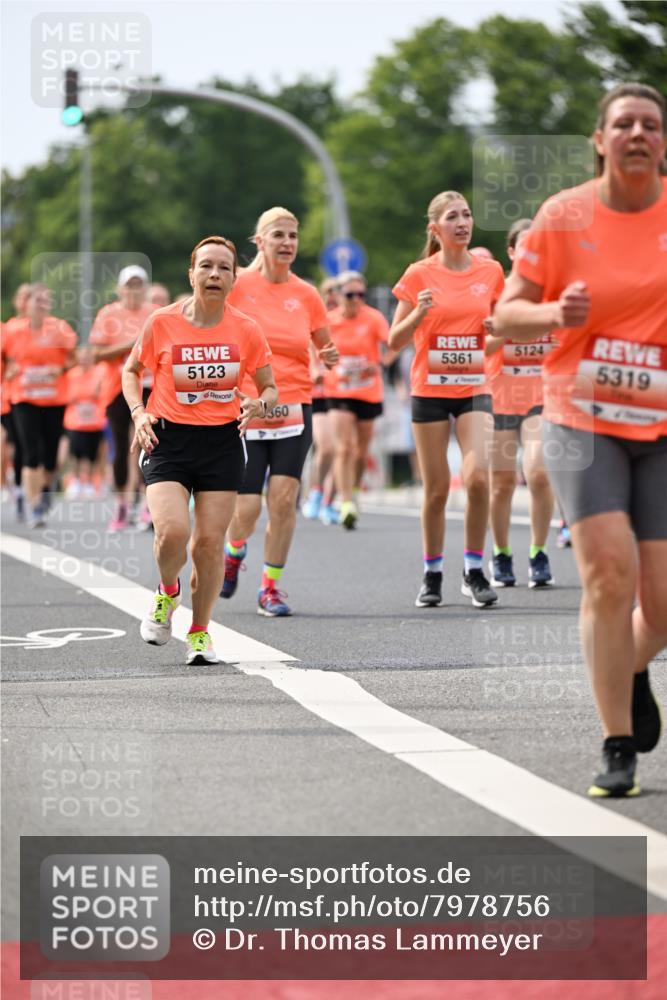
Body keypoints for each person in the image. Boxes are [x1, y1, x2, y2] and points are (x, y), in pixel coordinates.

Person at [493, 82, 667, 797]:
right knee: (604, 573)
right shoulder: (562, 216)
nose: (636, 133)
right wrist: (552, 312)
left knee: (660, 606)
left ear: (661, 142)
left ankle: (627, 663)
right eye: (621, 123)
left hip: (659, 422)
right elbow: (504, 318)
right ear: (599, 140)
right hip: (578, 417)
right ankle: (615, 740)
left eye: (649, 125)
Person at [122, 235, 276, 665]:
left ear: (233, 278)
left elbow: (269, 386)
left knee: (209, 545)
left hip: (222, 443)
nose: (214, 274)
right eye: (206, 266)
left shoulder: (245, 328)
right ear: (191, 274)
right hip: (168, 439)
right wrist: (138, 413)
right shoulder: (162, 322)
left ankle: (200, 632)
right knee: (172, 532)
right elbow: (131, 372)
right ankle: (167, 590)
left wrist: (259, 404)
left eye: (223, 268)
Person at [220, 207, 338, 616]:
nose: (288, 243)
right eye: (279, 236)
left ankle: (270, 588)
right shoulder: (238, 286)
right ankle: (233, 553)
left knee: (284, 499)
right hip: (247, 407)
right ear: (260, 241)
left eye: (293, 236)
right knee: (248, 507)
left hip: (294, 405)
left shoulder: (306, 293)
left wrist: (330, 352)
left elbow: (323, 341)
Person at [390, 191, 505, 609]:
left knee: (477, 478)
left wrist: (499, 332)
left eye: (467, 215)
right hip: (430, 392)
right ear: (434, 228)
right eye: (453, 216)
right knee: (437, 489)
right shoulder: (419, 274)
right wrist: (419, 314)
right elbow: (393, 340)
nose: (463, 222)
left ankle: (474, 569)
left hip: (475, 388)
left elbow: (498, 337)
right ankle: (432, 572)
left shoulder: (491, 272)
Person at [485, 219, 555, 587]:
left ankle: (538, 551)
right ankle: (501, 552)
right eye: (525, 246)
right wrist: (514, 325)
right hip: (499, 395)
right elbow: (481, 348)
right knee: (502, 483)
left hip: (543, 395)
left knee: (540, 473)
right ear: (512, 253)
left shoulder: (555, 288)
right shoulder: (498, 293)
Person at [3, 284, 77, 526]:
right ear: (27, 304)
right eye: (37, 300)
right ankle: (33, 505)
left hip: (54, 399)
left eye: (46, 301)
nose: (42, 305)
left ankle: (41, 490)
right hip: (24, 398)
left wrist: (62, 368)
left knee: (51, 455)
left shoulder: (60, 329)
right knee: (31, 451)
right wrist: (8, 369)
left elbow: (74, 357)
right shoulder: (13, 330)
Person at [325, 270, 393, 529]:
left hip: (367, 390)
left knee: (361, 451)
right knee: (344, 448)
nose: (356, 299)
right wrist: (318, 368)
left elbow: (393, 343)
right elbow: (312, 344)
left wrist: (381, 364)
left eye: (361, 294)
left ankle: (352, 490)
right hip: (339, 390)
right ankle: (345, 503)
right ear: (339, 295)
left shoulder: (373, 318)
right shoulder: (329, 320)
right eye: (351, 294)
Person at [90, 266, 155, 531]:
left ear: (146, 288)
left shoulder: (154, 313)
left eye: (139, 285)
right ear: (120, 289)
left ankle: (148, 506)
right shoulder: (109, 314)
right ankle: (121, 506)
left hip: (150, 386)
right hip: (117, 388)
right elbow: (96, 354)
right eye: (129, 285)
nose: (134, 290)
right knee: (120, 448)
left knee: (150, 445)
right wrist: (130, 344)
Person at [302, 278, 340, 524]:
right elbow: (307, 346)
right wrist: (315, 369)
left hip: (343, 394)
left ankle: (329, 501)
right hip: (317, 394)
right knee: (326, 447)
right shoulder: (313, 319)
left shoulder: (354, 321)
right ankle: (315, 493)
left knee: (345, 451)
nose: (335, 300)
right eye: (330, 295)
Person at [64, 346, 106, 498]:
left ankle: (88, 482)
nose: (84, 360)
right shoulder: (71, 375)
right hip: (75, 421)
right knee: (75, 453)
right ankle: (75, 482)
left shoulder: (99, 373)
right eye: (81, 357)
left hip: (94, 421)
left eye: (87, 357)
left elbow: (102, 393)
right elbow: (68, 395)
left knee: (91, 454)